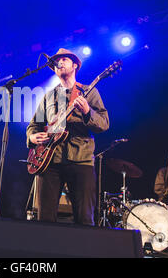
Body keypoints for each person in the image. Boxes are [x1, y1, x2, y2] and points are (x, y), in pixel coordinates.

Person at [26, 48, 109, 226]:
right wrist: (32, 137)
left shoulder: (89, 92)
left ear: (75, 65)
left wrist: (87, 112)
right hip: (49, 161)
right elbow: (34, 125)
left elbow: (104, 123)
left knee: (84, 217)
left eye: (64, 59)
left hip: (81, 160)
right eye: (57, 61)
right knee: (45, 218)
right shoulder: (48, 96)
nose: (60, 62)